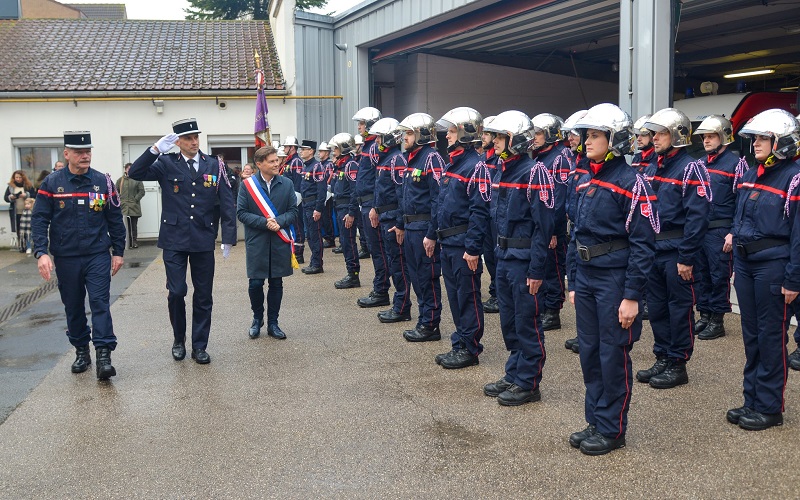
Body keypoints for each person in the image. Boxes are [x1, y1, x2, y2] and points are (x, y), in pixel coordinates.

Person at [566, 103, 658, 456]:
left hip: (614, 280)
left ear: (615, 140)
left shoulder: (632, 183)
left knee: (612, 354)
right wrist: (574, 281)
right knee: (590, 353)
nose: (586, 141)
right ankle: (595, 420)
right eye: (586, 135)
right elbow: (577, 233)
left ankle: (612, 429)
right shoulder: (586, 179)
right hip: (587, 277)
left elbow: (643, 244)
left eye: (594, 135)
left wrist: (632, 295)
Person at [129, 118, 236, 364]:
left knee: (204, 295)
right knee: (177, 292)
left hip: (203, 237)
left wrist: (228, 237)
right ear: (177, 142)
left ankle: (199, 346)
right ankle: (179, 339)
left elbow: (226, 201)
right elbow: (135, 173)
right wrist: (154, 150)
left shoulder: (214, 164)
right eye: (188, 138)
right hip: (174, 238)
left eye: (196, 137)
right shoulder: (166, 163)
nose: (194, 142)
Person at [727, 109, 800, 431]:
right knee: (752, 335)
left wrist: (793, 278)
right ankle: (752, 400)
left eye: (762, 138)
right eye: (754, 138)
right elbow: (739, 219)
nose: (755, 143)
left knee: (770, 337)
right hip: (746, 264)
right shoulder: (750, 173)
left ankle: (769, 408)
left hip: (773, 265)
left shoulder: (794, 177)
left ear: (781, 142)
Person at [32, 131, 126, 380]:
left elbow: (115, 219)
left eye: (88, 151)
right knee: (73, 306)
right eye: (79, 152)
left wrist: (118, 251)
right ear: (67, 154)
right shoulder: (52, 183)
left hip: (97, 254)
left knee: (100, 303)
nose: (85, 156)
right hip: (66, 257)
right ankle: (82, 350)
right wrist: (41, 252)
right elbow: (40, 219)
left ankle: (104, 355)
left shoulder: (103, 182)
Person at [481, 110, 554, 406]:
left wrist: (536, 270)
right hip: (504, 256)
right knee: (509, 321)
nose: (495, 141)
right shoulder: (502, 169)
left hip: (524, 260)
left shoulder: (534, 172)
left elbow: (543, 227)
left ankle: (528, 382)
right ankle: (514, 372)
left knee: (527, 322)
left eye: (501, 136)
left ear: (516, 139)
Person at [637, 108, 710, 389]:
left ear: (677, 135)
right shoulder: (652, 166)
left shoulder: (691, 168)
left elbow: (698, 217)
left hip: (677, 251)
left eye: (661, 133)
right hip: (654, 250)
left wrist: (687, 256)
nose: (654, 138)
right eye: (653, 133)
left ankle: (678, 363)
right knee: (657, 308)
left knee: (679, 309)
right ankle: (663, 356)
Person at [432, 107, 490, 369]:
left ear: (466, 133)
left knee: (468, 296)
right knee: (455, 297)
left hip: (463, 244)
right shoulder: (452, 164)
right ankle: (460, 343)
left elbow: (479, 211)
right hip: (448, 243)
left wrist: (473, 248)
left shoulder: (475, 166)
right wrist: (433, 235)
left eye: (453, 130)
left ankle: (470, 348)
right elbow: (441, 204)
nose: (447, 135)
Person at [692, 115, 745, 340]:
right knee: (701, 274)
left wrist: (734, 232)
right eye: (704, 137)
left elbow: (742, 203)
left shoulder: (736, 164)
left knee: (718, 276)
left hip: (721, 230)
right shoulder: (699, 164)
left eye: (711, 136)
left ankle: (717, 320)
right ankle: (704, 315)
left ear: (723, 137)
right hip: (701, 229)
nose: (706, 140)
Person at [238, 145, 299, 340]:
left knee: (276, 282)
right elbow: (241, 213)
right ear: (259, 164)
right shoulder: (247, 186)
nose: (276, 164)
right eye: (272, 161)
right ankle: (257, 319)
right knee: (255, 283)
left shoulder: (287, 184)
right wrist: (265, 223)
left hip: (279, 239)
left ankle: (273, 322)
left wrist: (278, 222)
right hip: (257, 241)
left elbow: (293, 211)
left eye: (277, 160)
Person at [397, 113, 445, 342]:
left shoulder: (431, 158)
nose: (404, 138)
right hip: (411, 227)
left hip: (424, 228)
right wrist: (401, 225)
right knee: (416, 277)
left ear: (422, 135)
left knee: (427, 276)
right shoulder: (412, 158)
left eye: (409, 133)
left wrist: (432, 233)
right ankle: (424, 319)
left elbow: (438, 199)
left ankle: (431, 325)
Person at [369, 118, 412, 324]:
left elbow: (402, 194)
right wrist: (375, 209)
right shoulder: (385, 160)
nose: (376, 141)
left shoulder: (396, 160)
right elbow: (381, 191)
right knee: (394, 263)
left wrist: (399, 223)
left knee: (399, 265)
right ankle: (398, 304)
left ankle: (402, 307)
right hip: (385, 217)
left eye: (379, 137)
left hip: (393, 219)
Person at [530, 113, 569, 332]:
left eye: (538, 133)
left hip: (553, 227)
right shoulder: (539, 158)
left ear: (551, 134)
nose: (534, 137)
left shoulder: (559, 158)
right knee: (542, 266)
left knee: (553, 267)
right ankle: (545, 306)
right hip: (541, 226)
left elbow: (559, 198)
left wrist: (552, 229)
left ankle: (553, 311)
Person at [353, 107, 392, 308]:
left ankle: (381, 290)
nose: (359, 127)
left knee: (378, 250)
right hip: (366, 203)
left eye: (361, 123)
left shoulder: (375, 148)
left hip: (371, 203)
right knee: (375, 248)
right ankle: (380, 287)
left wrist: (375, 206)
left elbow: (379, 180)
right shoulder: (368, 147)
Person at [562, 109, 588, 354]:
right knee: (577, 282)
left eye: (574, 134)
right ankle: (585, 333)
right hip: (575, 231)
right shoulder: (577, 163)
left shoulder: (590, 168)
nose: (570, 138)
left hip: (587, 235)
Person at [329, 133, 362, 289]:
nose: (333, 151)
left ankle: (353, 275)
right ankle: (350, 272)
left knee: (348, 242)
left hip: (347, 208)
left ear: (343, 148)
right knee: (344, 241)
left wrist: (351, 213)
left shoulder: (350, 165)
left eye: (335, 148)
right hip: (340, 207)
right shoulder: (341, 165)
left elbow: (355, 191)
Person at [479, 116, 501, 315]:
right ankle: (495, 291)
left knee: (497, 254)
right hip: (484, 215)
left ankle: (499, 294)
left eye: (486, 134)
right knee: (489, 255)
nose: (483, 137)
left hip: (495, 215)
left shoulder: (499, 160)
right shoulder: (482, 159)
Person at [298, 140, 327, 274]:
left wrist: (318, 209)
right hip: (306, 204)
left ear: (311, 151)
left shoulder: (316, 167)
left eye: (304, 149)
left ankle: (317, 264)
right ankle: (314, 261)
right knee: (309, 235)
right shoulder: (306, 167)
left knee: (315, 235)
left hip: (312, 205)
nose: (301, 151)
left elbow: (322, 190)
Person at [282, 137, 305, 263]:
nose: (285, 149)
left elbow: (298, 183)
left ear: (292, 147)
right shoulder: (289, 161)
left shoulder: (296, 161)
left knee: (297, 225)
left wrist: (294, 201)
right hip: (289, 198)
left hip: (295, 198)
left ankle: (299, 253)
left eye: (286, 146)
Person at [116, 163, 146, 249]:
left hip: (134, 207)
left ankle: (134, 242)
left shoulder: (137, 179)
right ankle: (126, 242)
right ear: (125, 170)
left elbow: (141, 191)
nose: (129, 170)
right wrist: (120, 200)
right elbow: (116, 191)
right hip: (123, 207)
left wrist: (135, 199)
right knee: (125, 226)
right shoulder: (120, 180)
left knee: (133, 225)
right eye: (128, 169)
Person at [5, 170, 34, 247]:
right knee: (18, 230)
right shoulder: (10, 187)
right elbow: (5, 198)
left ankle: (29, 245)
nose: (18, 179)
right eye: (16, 177)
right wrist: (11, 197)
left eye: (20, 177)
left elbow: (34, 196)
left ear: (23, 178)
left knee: (28, 229)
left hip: (27, 212)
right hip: (16, 212)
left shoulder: (28, 186)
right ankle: (21, 246)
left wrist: (26, 195)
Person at [318, 142, 337, 249]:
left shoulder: (328, 164)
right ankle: (327, 236)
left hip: (328, 193)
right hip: (322, 192)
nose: (319, 153)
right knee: (323, 217)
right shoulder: (320, 164)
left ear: (326, 153)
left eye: (321, 151)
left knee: (327, 217)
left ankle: (330, 238)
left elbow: (328, 179)